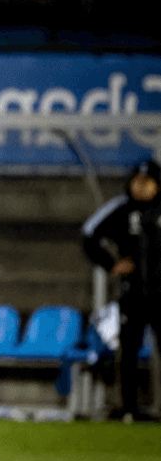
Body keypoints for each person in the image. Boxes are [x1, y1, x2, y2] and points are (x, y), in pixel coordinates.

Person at [82, 158, 161, 421]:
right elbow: (89, 234)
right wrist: (111, 264)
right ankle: (128, 407)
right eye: (136, 181)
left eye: (147, 182)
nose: (140, 187)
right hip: (134, 293)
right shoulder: (121, 209)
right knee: (127, 350)